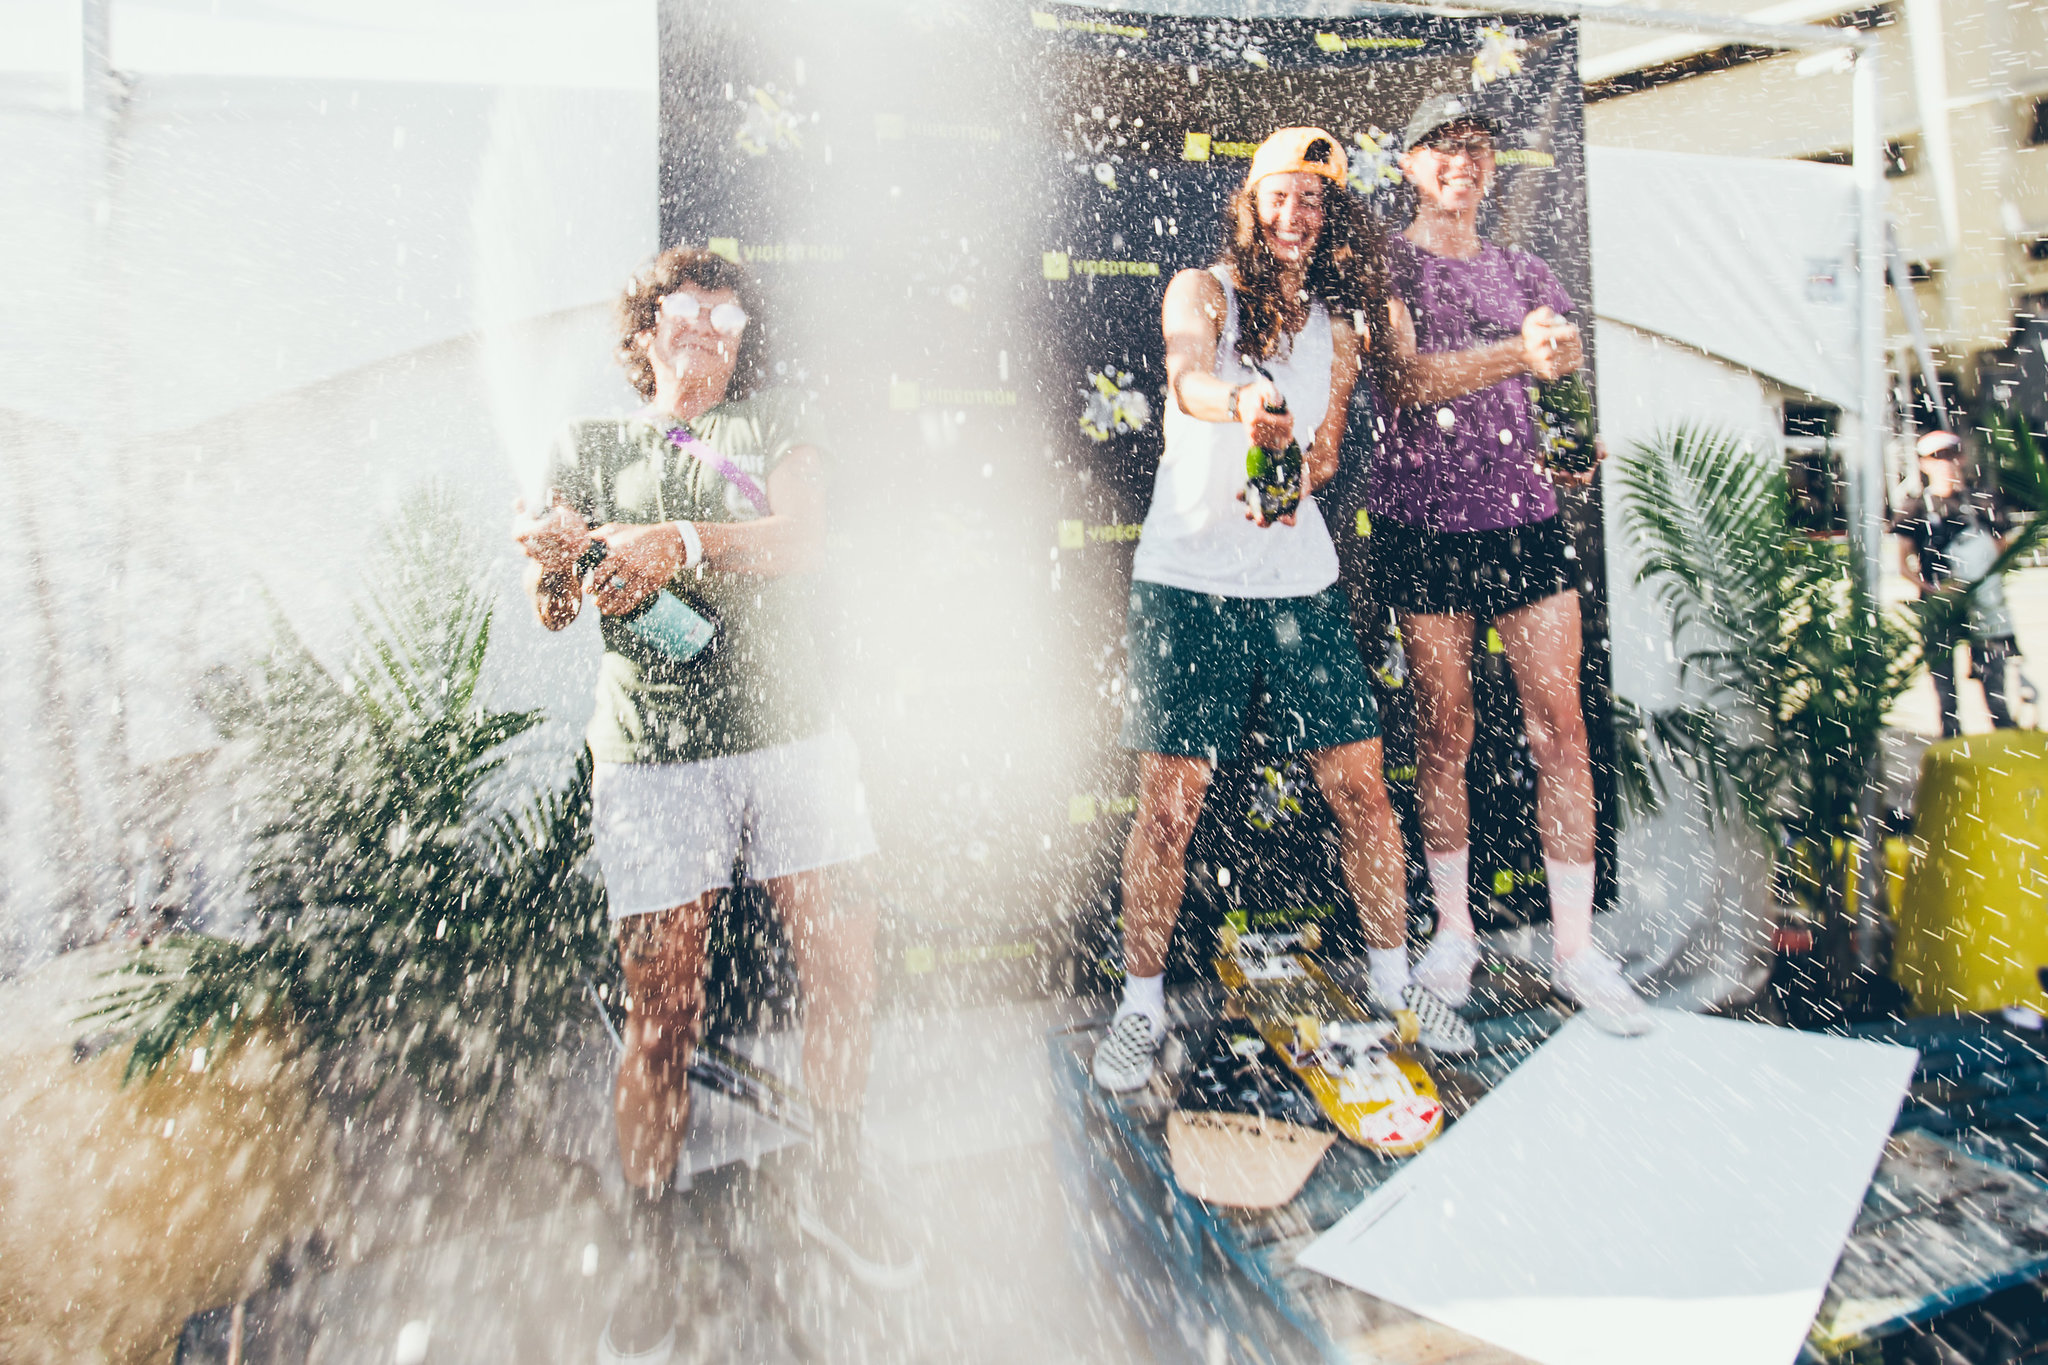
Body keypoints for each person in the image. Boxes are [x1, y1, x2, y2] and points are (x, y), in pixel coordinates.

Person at [512, 246, 920, 1364]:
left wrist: (677, 542)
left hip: (797, 745)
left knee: (844, 976)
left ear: (744, 342)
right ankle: (649, 1236)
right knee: (661, 1021)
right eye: (687, 308)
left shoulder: (772, 424)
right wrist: (554, 561)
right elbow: (554, 611)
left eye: (728, 315)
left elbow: (802, 540)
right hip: (652, 765)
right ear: (645, 327)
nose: (708, 324)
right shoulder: (586, 446)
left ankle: (836, 1176)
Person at [1092, 126, 1475, 1098]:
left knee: (1362, 792)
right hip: (1187, 581)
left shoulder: (1338, 327)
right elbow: (1187, 377)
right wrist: (1244, 407)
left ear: (1329, 215)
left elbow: (1330, 448)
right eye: (1279, 196)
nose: (1295, 214)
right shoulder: (1202, 290)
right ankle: (1140, 1007)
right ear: (1250, 205)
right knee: (1168, 809)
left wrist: (1294, 473)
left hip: (1297, 584)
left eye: (1313, 199)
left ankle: (1394, 986)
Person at [1369, 93, 1650, 1035]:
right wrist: (1518, 355)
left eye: (1478, 147)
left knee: (1561, 729)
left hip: (1525, 519)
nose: (1462, 160)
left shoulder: (1529, 270)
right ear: (1409, 165)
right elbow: (1405, 380)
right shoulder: (1386, 262)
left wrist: (1574, 438)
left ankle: (1576, 950)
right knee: (1444, 731)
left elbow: (1561, 386)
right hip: (1423, 523)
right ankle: (1454, 935)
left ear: (1492, 167)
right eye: (1442, 147)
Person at [1896, 429, 2020, 735]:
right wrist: (1935, 589)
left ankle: (2005, 740)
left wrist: (1984, 582)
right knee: (1944, 686)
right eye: (1937, 457)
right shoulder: (1915, 507)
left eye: (1951, 455)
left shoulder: (1983, 501)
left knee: (1994, 681)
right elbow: (1903, 564)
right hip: (1940, 607)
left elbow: (2004, 550)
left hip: (1984, 605)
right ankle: (1952, 742)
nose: (1946, 463)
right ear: (1923, 464)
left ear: (1962, 459)